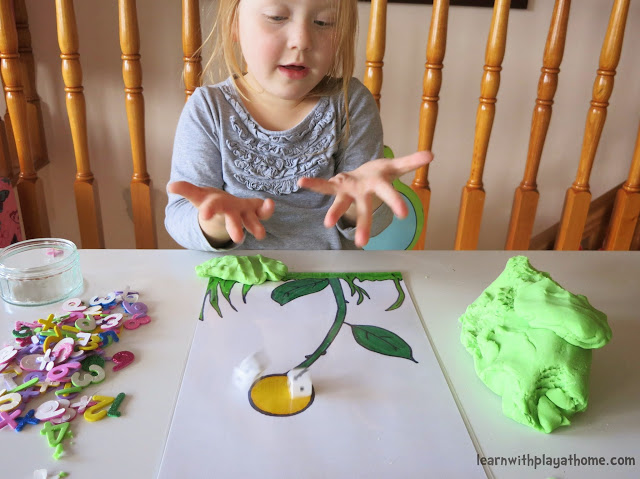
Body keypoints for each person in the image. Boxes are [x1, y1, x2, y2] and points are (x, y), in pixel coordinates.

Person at [165, 0, 432, 251]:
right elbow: (178, 216)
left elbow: (372, 226)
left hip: (331, 283)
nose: (302, 41)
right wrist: (215, 222)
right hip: (237, 286)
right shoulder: (208, 108)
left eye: (324, 22)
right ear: (235, 23)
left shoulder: (351, 104)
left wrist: (363, 202)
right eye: (276, 17)